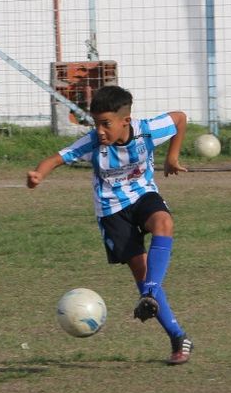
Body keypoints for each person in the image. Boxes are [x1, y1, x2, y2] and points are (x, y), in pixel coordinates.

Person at [26, 85, 193, 365]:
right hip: (111, 211)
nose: (100, 131)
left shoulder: (146, 131)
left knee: (164, 222)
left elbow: (179, 119)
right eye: (96, 124)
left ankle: (150, 294)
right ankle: (178, 337)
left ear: (125, 121)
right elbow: (57, 158)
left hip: (143, 195)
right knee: (141, 271)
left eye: (106, 124)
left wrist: (171, 157)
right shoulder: (93, 143)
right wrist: (38, 175)